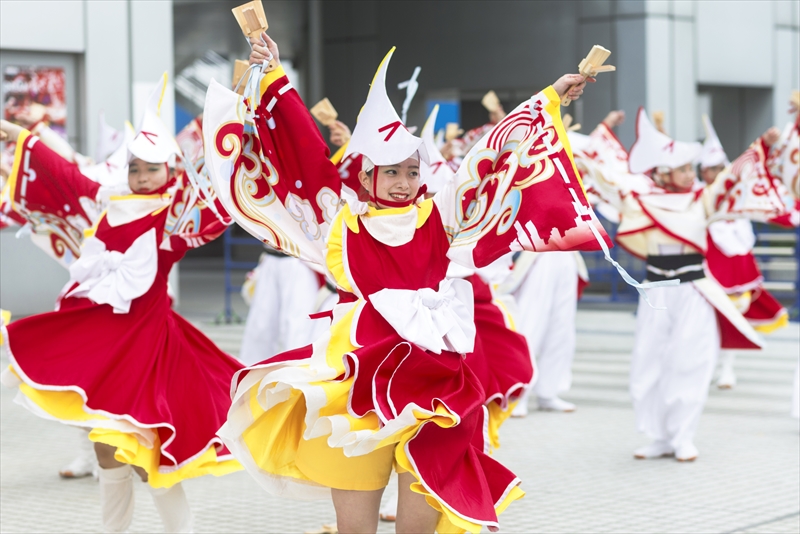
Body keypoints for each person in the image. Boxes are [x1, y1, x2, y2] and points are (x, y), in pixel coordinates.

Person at [205, 32, 604, 534]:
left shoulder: (440, 216)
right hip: (357, 377)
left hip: (436, 382)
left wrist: (549, 97)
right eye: (390, 171)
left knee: (421, 521)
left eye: (411, 171)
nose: (402, 181)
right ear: (364, 175)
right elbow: (304, 156)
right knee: (356, 528)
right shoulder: (341, 220)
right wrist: (276, 76)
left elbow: (491, 158)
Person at [0, 75, 242, 533]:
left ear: (170, 171)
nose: (143, 176)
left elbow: (219, 192)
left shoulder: (174, 217)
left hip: (148, 348)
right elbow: (66, 174)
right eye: (136, 168)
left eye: (153, 168)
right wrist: (16, 134)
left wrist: (236, 109)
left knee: (145, 452)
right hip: (104, 344)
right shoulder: (111, 203)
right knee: (106, 449)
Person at [580, 108, 789, 462]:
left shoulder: (700, 199)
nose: (688, 173)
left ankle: (683, 436)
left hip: (694, 288)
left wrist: (760, 148)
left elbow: (729, 179)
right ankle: (658, 435)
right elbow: (605, 177)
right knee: (649, 360)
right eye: (681, 168)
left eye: (689, 168)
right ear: (662, 172)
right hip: (657, 289)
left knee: (691, 361)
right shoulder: (641, 198)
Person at [700, 116, 789, 389]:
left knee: (734, 316)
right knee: (705, 320)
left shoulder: (736, 194)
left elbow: (753, 177)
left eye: (719, 167)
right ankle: (704, 366)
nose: (715, 172)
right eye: (710, 169)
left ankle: (726, 368)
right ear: (703, 172)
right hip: (707, 265)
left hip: (738, 263)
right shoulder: (698, 196)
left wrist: (766, 147)